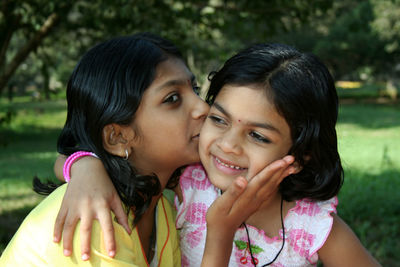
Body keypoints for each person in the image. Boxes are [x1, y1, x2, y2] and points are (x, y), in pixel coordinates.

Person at [51, 42, 381, 267]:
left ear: (302, 153)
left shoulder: (311, 226)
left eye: (257, 135)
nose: (228, 145)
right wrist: (85, 167)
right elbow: (102, 158)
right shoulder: (191, 181)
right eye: (218, 119)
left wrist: (223, 229)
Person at [0, 33, 292, 266]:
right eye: (173, 98)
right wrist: (220, 233)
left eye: (193, 88)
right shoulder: (93, 221)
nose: (203, 108)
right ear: (117, 137)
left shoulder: (160, 211)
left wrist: (82, 162)